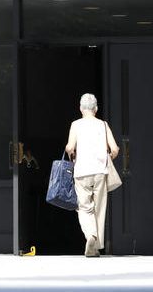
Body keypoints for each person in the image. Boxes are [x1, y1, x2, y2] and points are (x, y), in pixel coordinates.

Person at [65, 93, 119, 257]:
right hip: (100, 171)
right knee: (99, 209)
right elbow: (115, 149)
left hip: (82, 171)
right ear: (96, 108)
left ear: (81, 108)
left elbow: (69, 147)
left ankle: (91, 236)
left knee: (84, 207)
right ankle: (95, 246)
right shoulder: (103, 125)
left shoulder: (76, 125)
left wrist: (72, 154)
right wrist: (108, 158)